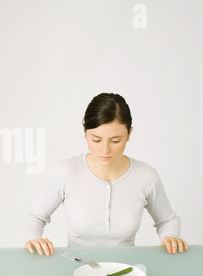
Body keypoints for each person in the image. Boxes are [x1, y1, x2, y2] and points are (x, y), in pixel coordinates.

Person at [23, 93, 188, 256]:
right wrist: (35, 239)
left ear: (129, 133)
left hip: (126, 271)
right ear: (85, 131)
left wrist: (170, 238)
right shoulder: (66, 172)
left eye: (115, 141)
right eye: (96, 140)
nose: (105, 150)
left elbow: (168, 220)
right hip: (76, 269)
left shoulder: (146, 176)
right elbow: (36, 216)